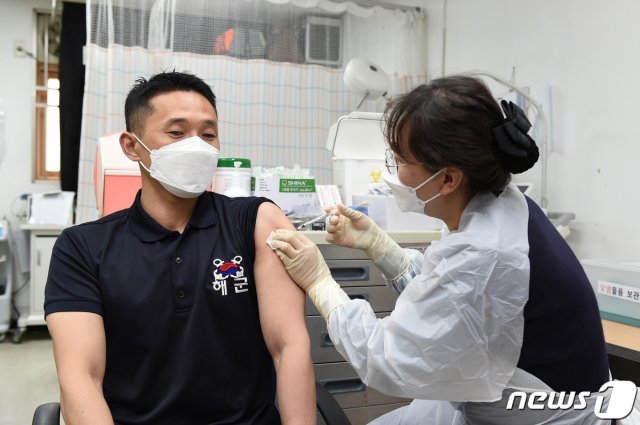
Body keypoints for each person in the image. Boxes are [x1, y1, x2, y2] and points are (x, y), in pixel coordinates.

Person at [270, 76, 618, 424]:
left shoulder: (486, 251)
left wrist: (320, 282)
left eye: (400, 160)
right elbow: (454, 301)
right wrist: (379, 246)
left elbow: (386, 356)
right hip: (505, 396)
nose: (392, 170)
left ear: (448, 179)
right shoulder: (501, 207)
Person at [44, 71, 315, 425]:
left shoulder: (256, 222)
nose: (197, 146)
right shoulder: (81, 247)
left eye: (208, 134)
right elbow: (81, 376)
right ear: (132, 146)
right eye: (177, 132)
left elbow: (289, 348)